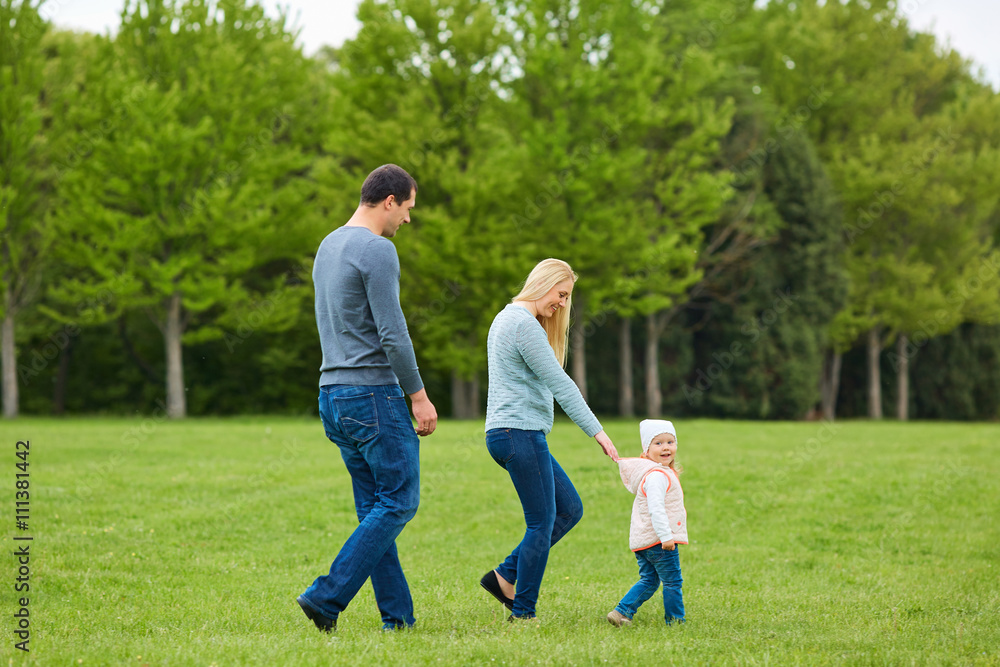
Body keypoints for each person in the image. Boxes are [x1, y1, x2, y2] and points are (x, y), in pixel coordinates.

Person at [297, 164, 438, 633]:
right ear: (390, 201)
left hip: (331, 395)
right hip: (373, 395)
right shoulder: (377, 250)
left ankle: (397, 618)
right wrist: (418, 397)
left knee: (374, 510)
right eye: (409, 208)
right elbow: (393, 335)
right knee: (398, 501)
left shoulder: (328, 244)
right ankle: (326, 596)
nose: (408, 221)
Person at [479, 258, 619, 621]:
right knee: (541, 522)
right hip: (519, 433)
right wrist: (598, 432)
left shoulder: (505, 317)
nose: (561, 303)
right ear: (543, 283)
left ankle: (505, 576)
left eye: (566, 297)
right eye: (561, 294)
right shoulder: (523, 324)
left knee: (569, 508)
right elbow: (561, 384)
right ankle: (523, 612)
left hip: (508, 433)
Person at [607, 419, 687, 627]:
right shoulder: (656, 476)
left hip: (644, 541)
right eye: (658, 443)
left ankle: (621, 612)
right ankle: (676, 622)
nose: (666, 447)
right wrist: (666, 536)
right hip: (659, 541)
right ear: (647, 450)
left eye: (670, 441)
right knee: (672, 582)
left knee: (649, 580)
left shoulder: (656, 474)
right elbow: (656, 508)